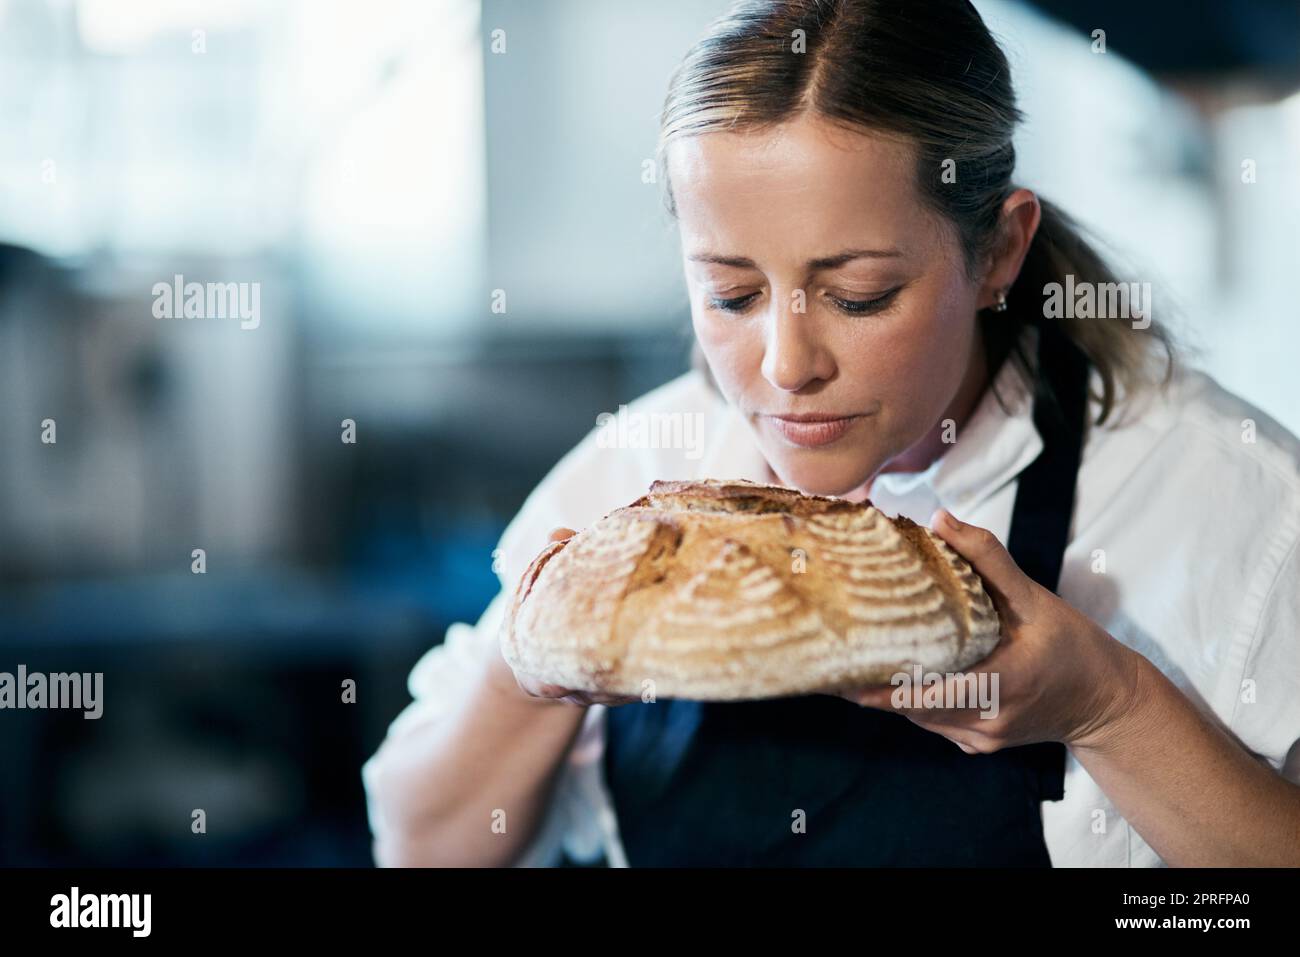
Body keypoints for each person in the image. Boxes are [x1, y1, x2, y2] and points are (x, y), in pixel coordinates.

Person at [361, 0, 1300, 866]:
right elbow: (423, 847)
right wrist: (535, 659)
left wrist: (1108, 705)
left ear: (1000, 250)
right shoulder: (636, 473)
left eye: (860, 295)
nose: (785, 366)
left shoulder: (1227, 500)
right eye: (732, 294)